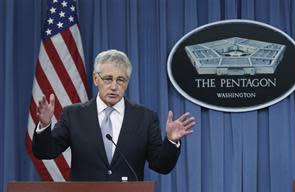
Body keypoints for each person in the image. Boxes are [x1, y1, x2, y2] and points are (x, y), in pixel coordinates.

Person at [32, 49, 195, 181]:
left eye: (121, 80)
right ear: (96, 79)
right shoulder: (73, 115)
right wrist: (45, 125)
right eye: (108, 79)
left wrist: (172, 141)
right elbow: (45, 152)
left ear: (127, 82)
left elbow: (161, 166)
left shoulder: (145, 118)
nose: (114, 86)